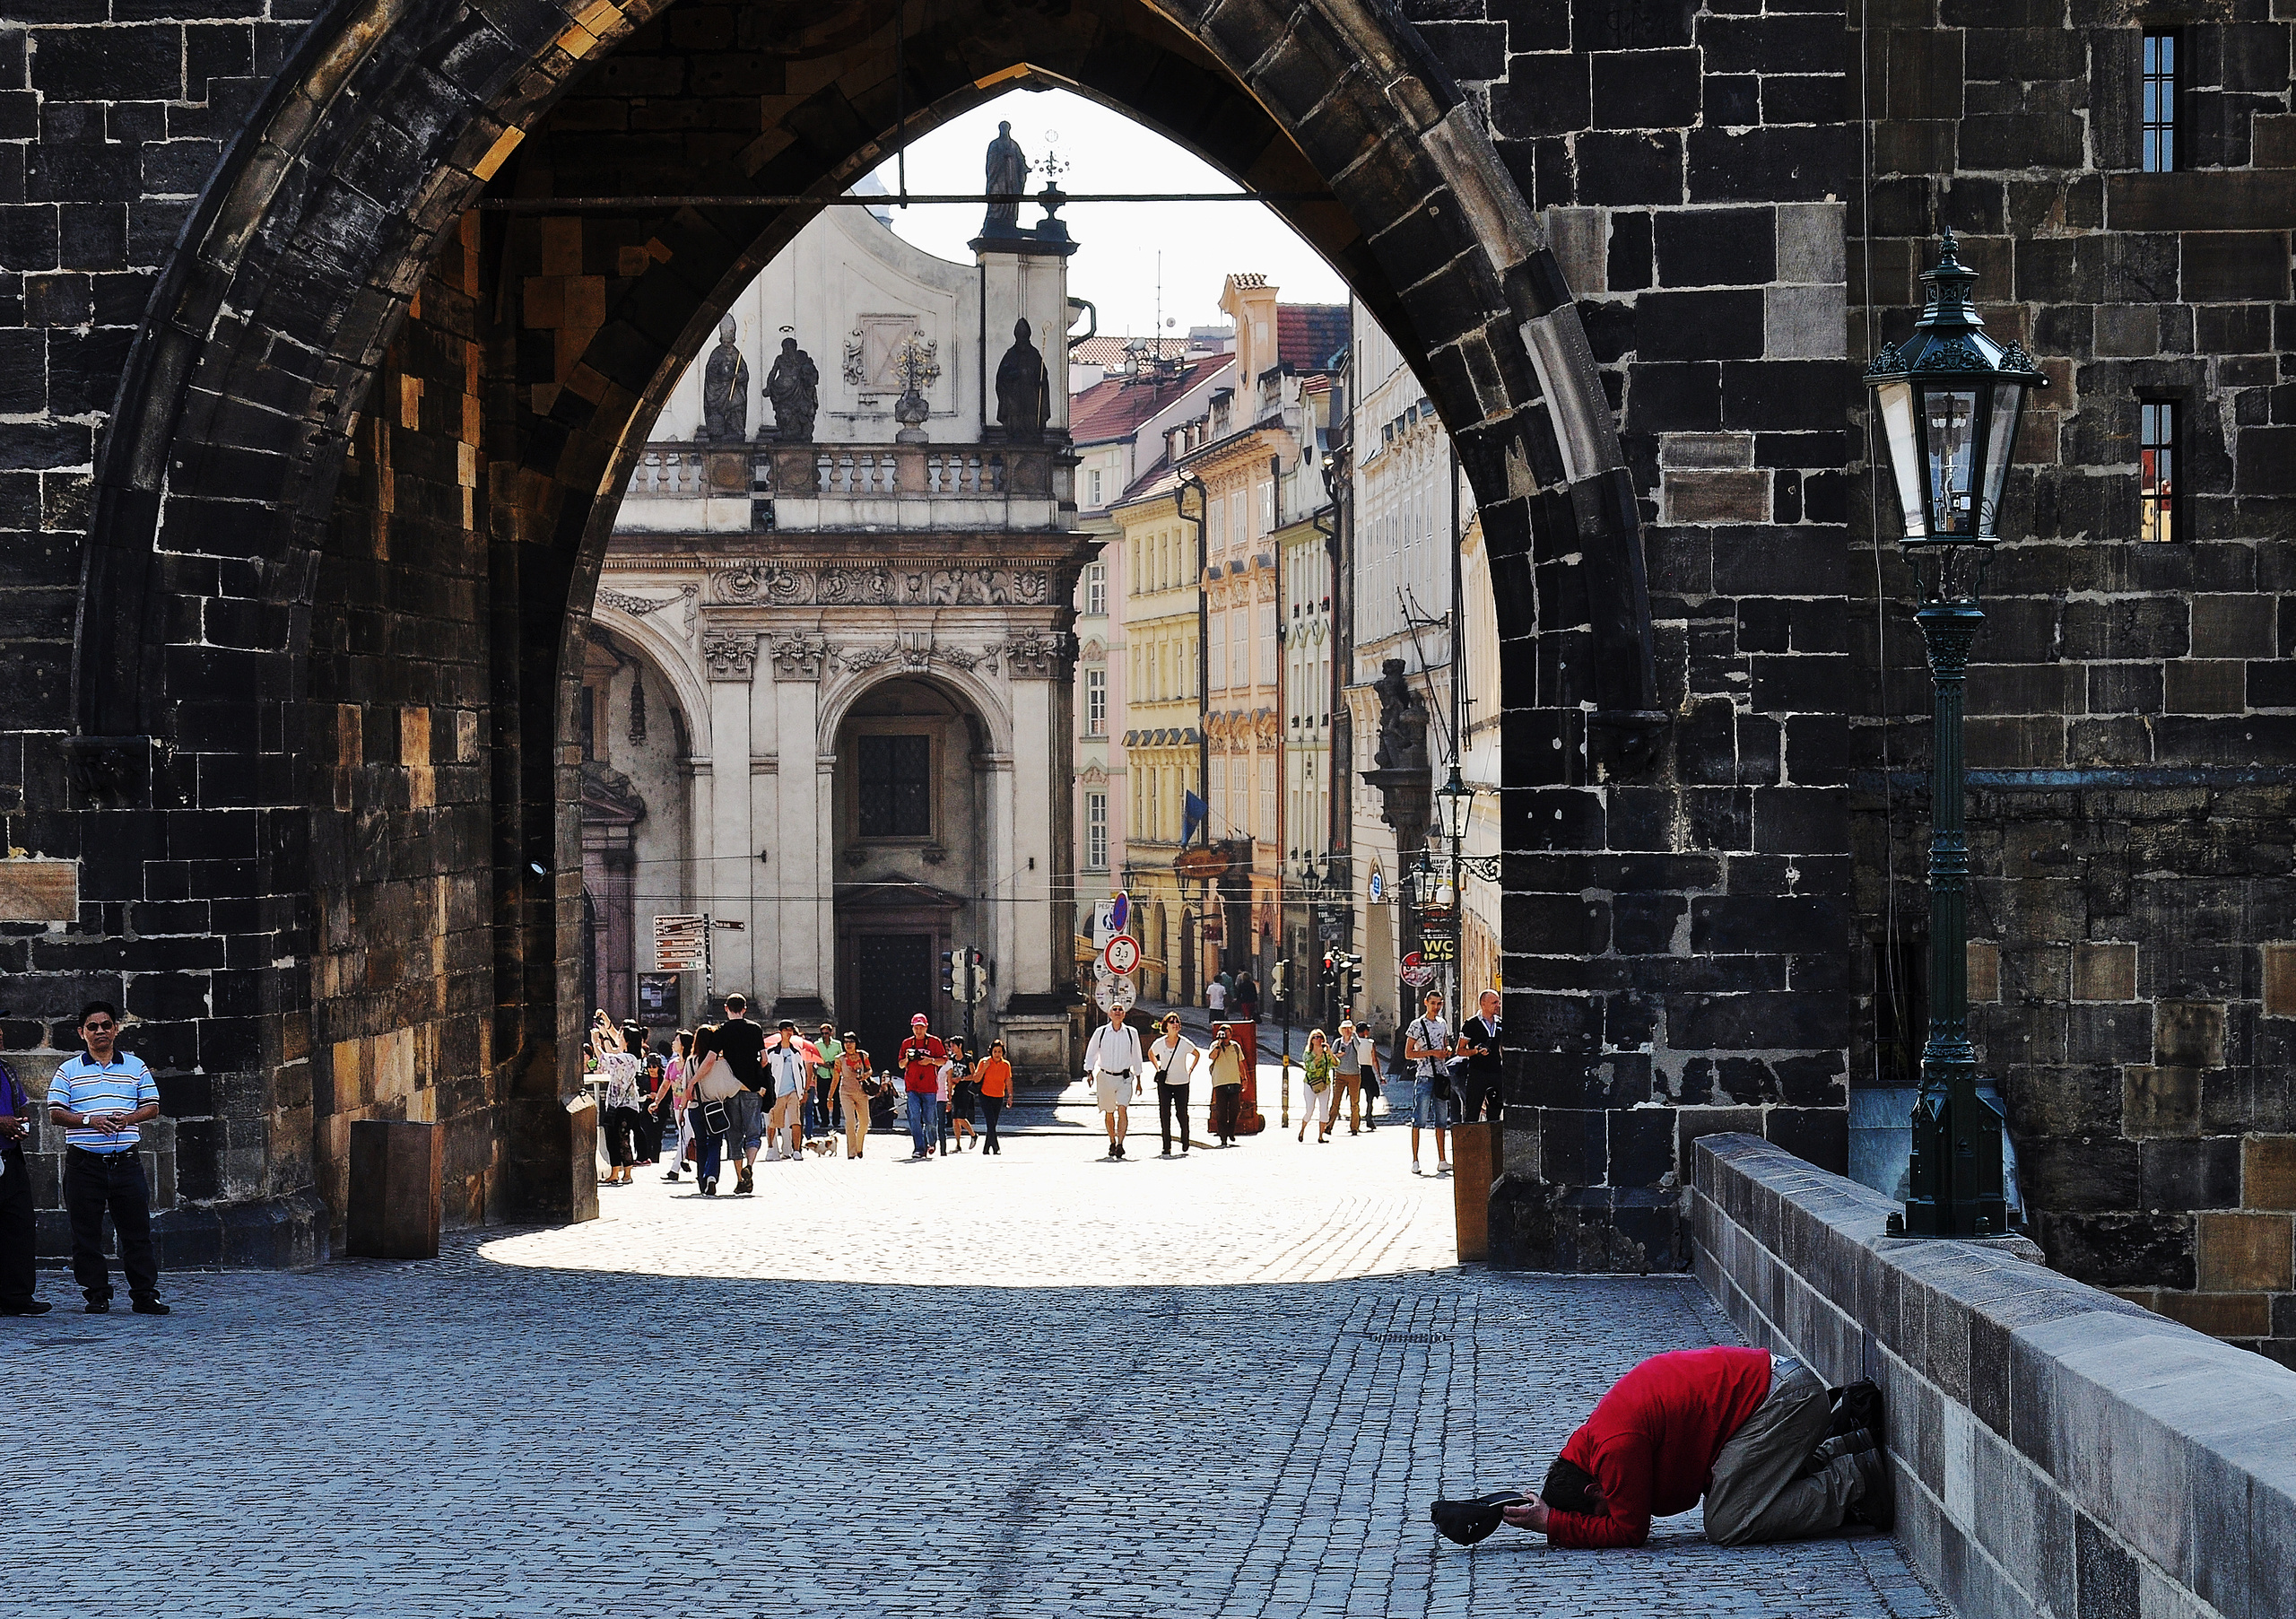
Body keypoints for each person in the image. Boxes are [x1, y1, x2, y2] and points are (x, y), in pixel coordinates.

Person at [1489, 1347, 1891, 1547]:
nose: (1608, 1510)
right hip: (1780, 1395)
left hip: (1786, 1401)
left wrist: (1551, 1524)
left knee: (1728, 1523)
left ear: (1595, 1490)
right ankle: (1851, 1445)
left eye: (1599, 1509)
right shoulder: (1590, 1443)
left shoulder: (1614, 1448)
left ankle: (1856, 1479)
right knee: (1736, 1493)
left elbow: (1629, 1530)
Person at [46, 1002, 168, 1314]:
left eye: (105, 1025)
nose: (100, 1031)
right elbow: (56, 1113)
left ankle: (144, 1294)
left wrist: (128, 1119)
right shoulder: (68, 1070)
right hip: (85, 1164)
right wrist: (90, 1120)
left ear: (116, 1029)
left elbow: (152, 1106)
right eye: (92, 1027)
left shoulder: (135, 1066)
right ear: (81, 1033)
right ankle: (96, 1294)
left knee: (137, 1232)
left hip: (125, 1161)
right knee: (85, 1233)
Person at [0, 1050, 51, 1314]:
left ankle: (17, 1296)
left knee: (18, 1224)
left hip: (9, 1158)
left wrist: (23, 1120)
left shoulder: (6, 1069)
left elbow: (21, 1103)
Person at [715, 993, 768, 1195]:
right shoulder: (755, 1028)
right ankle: (750, 1167)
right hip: (752, 1087)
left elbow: (716, 1059)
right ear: (745, 1009)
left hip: (730, 1089)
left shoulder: (722, 1030)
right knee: (753, 1132)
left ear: (726, 1008)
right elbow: (764, 1059)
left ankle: (739, 1179)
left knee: (734, 1133)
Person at [686, 1023, 744, 1195]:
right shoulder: (722, 1063)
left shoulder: (691, 1062)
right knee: (715, 1143)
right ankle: (711, 1175)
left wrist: (681, 1111)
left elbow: (686, 1090)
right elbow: (731, 1088)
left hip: (696, 1108)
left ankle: (702, 1182)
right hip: (716, 1108)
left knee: (700, 1143)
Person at [1402, 988, 1454, 1177]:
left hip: (1441, 1075)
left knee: (1441, 1120)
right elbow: (1408, 1053)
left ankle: (1442, 1160)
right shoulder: (1417, 1025)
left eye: (1439, 1004)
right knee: (1419, 1118)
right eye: (1433, 1003)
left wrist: (1446, 1049)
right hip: (1424, 1075)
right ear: (1426, 1003)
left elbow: (1445, 1043)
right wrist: (1432, 1053)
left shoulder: (1442, 1023)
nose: (1437, 1007)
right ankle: (1415, 1160)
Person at [1083, 1002, 1144, 1160]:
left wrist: (1138, 1079)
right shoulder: (1101, 1032)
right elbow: (1091, 1053)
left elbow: (1137, 1056)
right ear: (1109, 1014)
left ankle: (1120, 1144)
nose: (1117, 1012)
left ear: (1124, 1014)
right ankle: (1112, 1140)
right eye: (1114, 1010)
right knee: (1109, 1112)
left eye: (1120, 1010)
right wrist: (1089, 1071)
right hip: (1105, 1077)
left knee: (1122, 1109)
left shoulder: (1131, 1033)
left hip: (1124, 1078)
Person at [595, 1023, 644, 1187]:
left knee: (620, 1138)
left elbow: (604, 1058)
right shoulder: (628, 1057)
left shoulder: (628, 1058)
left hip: (623, 1105)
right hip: (620, 1104)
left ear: (628, 1041)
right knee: (615, 1138)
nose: (619, 1039)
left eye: (621, 1037)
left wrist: (596, 1042)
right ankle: (617, 1172)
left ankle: (624, 1172)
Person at [761, 1020, 811, 1167]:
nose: (789, 1033)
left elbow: (801, 1072)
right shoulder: (772, 1053)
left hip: (793, 1091)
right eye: (786, 1030)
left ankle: (797, 1150)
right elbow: (766, 1072)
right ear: (781, 1031)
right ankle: (771, 1148)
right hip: (776, 1092)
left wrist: (801, 1090)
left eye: (791, 1030)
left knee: (796, 1121)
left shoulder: (796, 1053)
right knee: (773, 1122)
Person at [1147, 1013, 1196, 1157]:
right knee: (1164, 1114)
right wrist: (1158, 1068)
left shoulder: (1184, 1043)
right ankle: (1166, 1145)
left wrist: (1190, 1070)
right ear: (1166, 1026)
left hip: (1182, 1082)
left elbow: (1197, 1054)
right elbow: (1151, 1053)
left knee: (1181, 1113)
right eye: (1171, 1022)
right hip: (1165, 1083)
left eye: (1177, 1022)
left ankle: (1185, 1137)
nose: (1174, 1024)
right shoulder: (1160, 1043)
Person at [898, 1014, 945, 1162]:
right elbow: (900, 1064)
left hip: (929, 1087)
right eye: (916, 1028)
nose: (918, 1031)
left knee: (930, 1118)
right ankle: (919, 1147)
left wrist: (930, 1061)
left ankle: (931, 1141)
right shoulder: (907, 1043)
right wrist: (907, 1058)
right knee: (914, 1116)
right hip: (912, 1086)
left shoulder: (934, 1042)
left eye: (921, 1028)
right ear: (912, 1028)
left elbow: (943, 1060)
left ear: (926, 1027)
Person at [1457, 989, 1505, 1124]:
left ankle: (1494, 1143)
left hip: (1496, 1071)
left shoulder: (1500, 1023)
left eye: (1498, 1002)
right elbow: (1460, 1050)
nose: (1498, 1006)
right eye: (1494, 1003)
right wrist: (1476, 1051)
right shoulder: (1471, 1024)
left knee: (1495, 1111)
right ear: (1483, 1004)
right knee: (1472, 1111)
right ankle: (1471, 1143)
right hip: (1477, 1072)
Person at [657, 1029, 696, 1182]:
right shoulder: (672, 1064)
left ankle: (675, 1169)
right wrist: (657, 1101)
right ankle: (682, 1163)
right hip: (677, 1106)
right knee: (685, 1137)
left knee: (685, 1137)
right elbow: (665, 1084)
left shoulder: (692, 1062)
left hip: (691, 1105)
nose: (673, 1043)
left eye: (677, 1040)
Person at [833, 1036, 874, 1160]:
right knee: (850, 1121)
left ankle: (859, 1146)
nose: (848, 1044)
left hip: (861, 1092)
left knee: (865, 1122)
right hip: (846, 1091)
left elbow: (870, 1069)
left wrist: (866, 1075)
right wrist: (830, 1097)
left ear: (856, 1043)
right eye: (846, 1042)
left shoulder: (863, 1056)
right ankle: (851, 1152)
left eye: (851, 1041)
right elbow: (836, 1077)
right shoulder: (840, 1059)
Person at [1205, 1023, 1246, 1147]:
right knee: (1221, 1111)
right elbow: (1212, 1057)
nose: (1225, 1037)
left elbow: (1241, 1063)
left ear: (1231, 1034)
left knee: (1235, 1109)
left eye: (1227, 1034)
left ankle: (1231, 1131)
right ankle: (1223, 1136)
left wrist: (1244, 1078)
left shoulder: (1236, 1046)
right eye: (1223, 1034)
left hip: (1234, 1081)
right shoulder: (1215, 1045)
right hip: (1220, 1082)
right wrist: (1218, 1043)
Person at [1298, 1029, 1338, 1144]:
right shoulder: (1308, 1054)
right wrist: (1317, 1056)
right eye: (1315, 1037)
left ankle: (1321, 1136)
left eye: (1320, 1037)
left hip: (1324, 1084)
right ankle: (1302, 1131)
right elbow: (1310, 1068)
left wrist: (1330, 1052)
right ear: (1311, 1040)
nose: (1318, 1039)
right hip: (1311, 1084)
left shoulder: (1326, 1054)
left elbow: (1336, 1064)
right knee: (1310, 1110)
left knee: (1324, 1110)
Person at [975, 1039, 1013, 1155]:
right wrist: (985, 1067)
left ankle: (986, 1148)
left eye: (999, 1052)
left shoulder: (1006, 1065)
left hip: (998, 1096)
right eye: (995, 1051)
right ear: (991, 1052)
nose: (997, 1054)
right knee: (990, 1121)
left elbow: (1008, 1080)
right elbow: (976, 1078)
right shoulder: (984, 1062)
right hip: (985, 1095)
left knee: (993, 1123)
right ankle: (996, 1147)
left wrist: (1010, 1095)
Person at [810, 1023, 844, 1142]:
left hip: (835, 1074)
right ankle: (824, 1120)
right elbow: (815, 1058)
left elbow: (841, 1057)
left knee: (836, 1098)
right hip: (822, 1073)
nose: (825, 1035)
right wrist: (825, 1065)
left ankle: (836, 1121)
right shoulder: (817, 1044)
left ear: (831, 1032)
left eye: (827, 1033)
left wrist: (834, 1065)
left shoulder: (837, 1044)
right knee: (822, 1098)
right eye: (823, 1033)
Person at [944, 1039, 978, 1152]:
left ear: (960, 1046)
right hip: (955, 1090)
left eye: (953, 1046)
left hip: (965, 1090)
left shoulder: (968, 1058)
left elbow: (974, 1075)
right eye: (950, 1046)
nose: (951, 1048)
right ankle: (958, 1144)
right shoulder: (951, 1059)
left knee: (961, 1116)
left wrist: (962, 1079)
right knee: (954, 1118)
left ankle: (973, 1135)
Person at [1333, 1019, 1366, 1136]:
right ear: (1341, 1030)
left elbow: (1359, 1047)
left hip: (1354, 1074)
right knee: (1335, 1101)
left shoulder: (1354, 1041)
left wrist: (1354, 1034)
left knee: (1354, 1102)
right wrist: (1338, 1055)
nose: (1347, 1031)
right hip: (1340, 1074)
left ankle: (1354, 1127)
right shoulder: (1338, 1042)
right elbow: (1331, 1057)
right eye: (1345, 1029)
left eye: (1349, 1028)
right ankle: (1328, 1126)